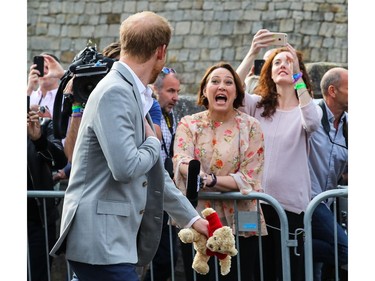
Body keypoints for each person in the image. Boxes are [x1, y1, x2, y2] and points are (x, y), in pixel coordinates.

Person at [49, 11, 209, 281]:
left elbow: (154, 172)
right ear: (161, 51)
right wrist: (152, 142)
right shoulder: (116, 91)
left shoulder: (130, 91)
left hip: (110, 244)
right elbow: (126, 167)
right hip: (101, 244)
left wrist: (192, 219)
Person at [237, 29, 322, 281]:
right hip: (255, 205)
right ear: (269, 72)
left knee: (288, 272)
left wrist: (297, 75)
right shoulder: (258, 105)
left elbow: (313, 122)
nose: (283, 65)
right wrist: (252, 52)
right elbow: (233, 89)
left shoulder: (305, 107)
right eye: (277, 62)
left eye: (288, 61)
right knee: (256, 271)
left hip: (290, 208)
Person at [173, 62, 267, 281]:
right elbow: (181, 159)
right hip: (198, 220)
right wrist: (196, 175)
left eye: (228, 82)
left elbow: (250, 176)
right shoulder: (189, 124)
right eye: (215, 82)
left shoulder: (251, 127)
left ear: (237, 92)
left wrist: (210, 180)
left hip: (241, 220)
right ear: (205, 91)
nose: (221, 86)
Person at [309, 67, 348, 281]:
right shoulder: (311, 112)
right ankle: (287, 241)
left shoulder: (349, 124)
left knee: (315, 272)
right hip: (307, 199)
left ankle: (294, 241)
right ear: (332, 91)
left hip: (327, 202)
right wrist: (296, 76)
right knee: (345, 249)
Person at [143, 67, 181, 281]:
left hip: (164, 193)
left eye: (177, 91)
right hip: (149, 194)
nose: (176, 97)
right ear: (155, 90)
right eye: (170, 91)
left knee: (166, 260)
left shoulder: (171, 116)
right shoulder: (151, 110)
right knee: (162, 258)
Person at [27, 104, 67, 281]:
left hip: (38, 222)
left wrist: (39, 140)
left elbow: (59, 160)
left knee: (38, 274)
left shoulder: (43, 124)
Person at [27, 53, 64, 118]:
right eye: (40, 68)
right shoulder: (29, 95)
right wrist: (29, 89)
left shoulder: (65, 98)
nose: (44, 71)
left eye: (48, 68)